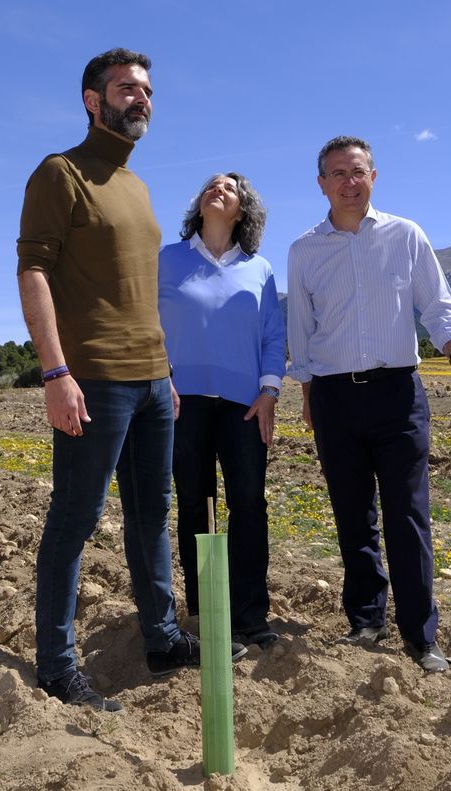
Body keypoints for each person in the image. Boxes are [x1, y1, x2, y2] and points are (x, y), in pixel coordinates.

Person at [16, 48, 203, 713]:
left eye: (147, 89)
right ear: (93, 100)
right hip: (91, 379)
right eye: (127, 87)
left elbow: (137, 290)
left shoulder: (140, 187)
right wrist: (56, 370)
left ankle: (161, 636)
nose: (141, 97)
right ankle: (57, 668)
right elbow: (33, 272)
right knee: (75, 518)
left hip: (152, 378)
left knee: (153, 513)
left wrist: (166, 371)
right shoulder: (59, 173)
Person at [285, 135, 451, 674]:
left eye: (357, 171)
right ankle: (366, 619)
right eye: (337, 174)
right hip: (333, 396)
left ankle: (422, 637)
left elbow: (437, 304)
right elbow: (301, 333)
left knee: (408, 515)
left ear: (374, 176)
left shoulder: (406, 235)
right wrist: (307, 395)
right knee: (353, 516)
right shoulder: (304, 250)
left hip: (399, 393)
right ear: (321, 184)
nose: (349, 182)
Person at [157, 172, 285, 650]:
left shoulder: (260, 268)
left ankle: (251, 615)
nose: (219, 189)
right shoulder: (167, 261)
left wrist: (270, 390)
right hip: (180, 402)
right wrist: (161, 380)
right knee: (194, 504)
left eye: (230, 188)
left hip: (245, 405)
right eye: (212, 185)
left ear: (243, 209)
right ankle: (208, 612)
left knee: (249, 503)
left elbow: (274, 334)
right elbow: (147, 323)